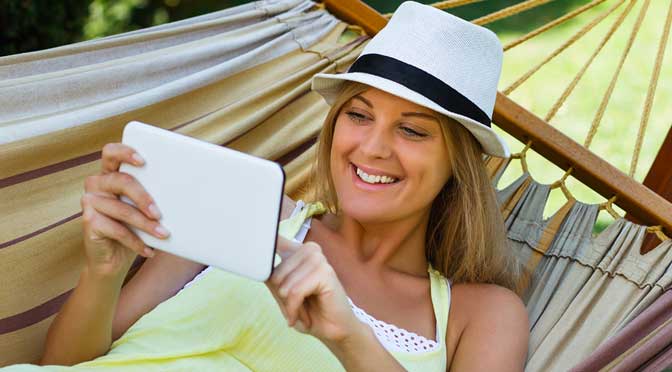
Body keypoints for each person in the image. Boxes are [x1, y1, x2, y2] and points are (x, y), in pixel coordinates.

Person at [34, 2, 529, 371]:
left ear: (459, 166)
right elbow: (65, 363)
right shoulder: (246, 211)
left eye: (413, 130)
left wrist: (346, 335)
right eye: (358, 115)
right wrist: (104, 272)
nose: (373, 148)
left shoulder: (480, 314)